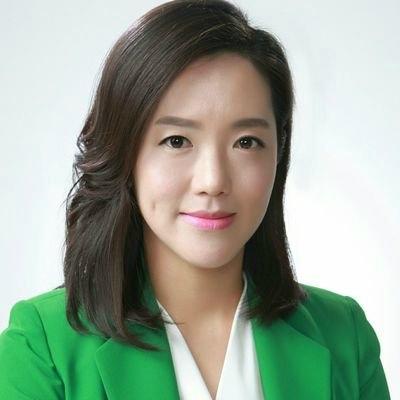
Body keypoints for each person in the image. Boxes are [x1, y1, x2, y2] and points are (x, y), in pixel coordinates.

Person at [0, 0, 391, 399]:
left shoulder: (345, 337)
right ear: (126, 152)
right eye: (176, 141)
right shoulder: (41, 348)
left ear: (279, 149)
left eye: (246, 142)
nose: (213, 181)